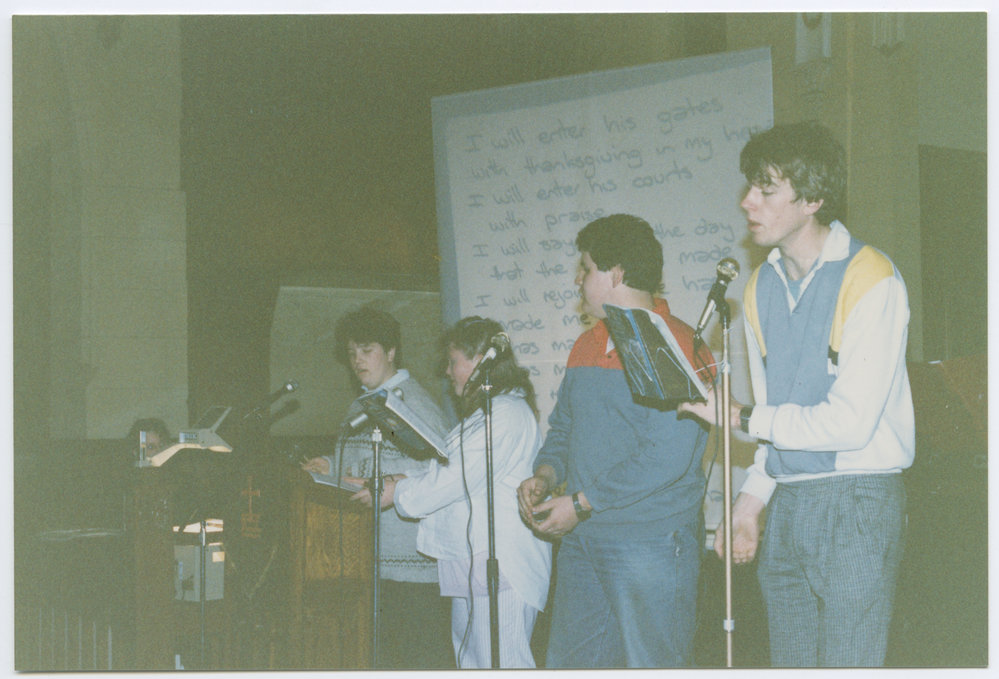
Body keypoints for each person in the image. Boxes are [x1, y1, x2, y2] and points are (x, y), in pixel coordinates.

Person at [679, 122, 915, 667]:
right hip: (788, 501)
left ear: (812, 199)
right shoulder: (759, 286)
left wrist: (738, 415)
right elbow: (777, 414)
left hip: (857, 499)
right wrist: (750, 502)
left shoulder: (872, 277)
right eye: (750, 187)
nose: (747, 201)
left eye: (766, 189)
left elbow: (849, 423)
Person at [516, 214, 714, 668]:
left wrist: (580, 503)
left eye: (586, 268)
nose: (579, 279)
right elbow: (564, 428)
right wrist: (546, 474)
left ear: (617, 273)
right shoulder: (585, 344)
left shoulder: (680, 346)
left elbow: (666, 457)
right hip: (584, 538)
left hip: (650, 543)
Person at [347, 316, 552, 668]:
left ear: (480, 362)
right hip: (471, 564)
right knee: (471, 664)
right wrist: (397, 478)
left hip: (501, 566)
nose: (447, 371)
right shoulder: (484, 415)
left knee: (502, 664)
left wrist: (396, 492)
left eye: (453, 361)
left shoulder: (505, 414)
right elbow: (446, 468)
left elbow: (455, 478)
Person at [301, 306, 454, 669]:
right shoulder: (363, 403)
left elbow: (439, 473)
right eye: (351, 352)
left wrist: (375, 478)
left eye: (366, 350)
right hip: (368, 563)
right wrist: (330, 464)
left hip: (411, 570)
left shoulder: (412, 404)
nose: (357, 360)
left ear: (391, 351)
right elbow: (360, 457)